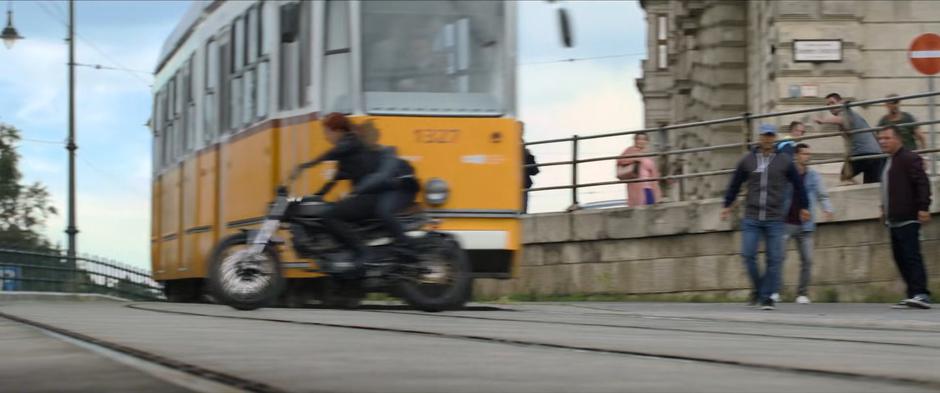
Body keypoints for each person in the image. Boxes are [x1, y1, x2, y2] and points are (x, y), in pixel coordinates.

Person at [294, 113, 412, 274]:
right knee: (330, 209)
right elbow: (337, 177)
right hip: (366, 196)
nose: (326, 137)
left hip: (371, 196)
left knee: (329, 216)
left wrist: (306, 165)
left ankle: (363, 251)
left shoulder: (351, 142)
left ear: (337, 131)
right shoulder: (348, 149)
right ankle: (342, 254)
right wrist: (318, 195)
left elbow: (331, 154)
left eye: (327, 132)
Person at [721, 125, 809, 311]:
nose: (768, 139)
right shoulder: (748, 160)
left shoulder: (784, 161)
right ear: (759, 138)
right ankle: (759, 289)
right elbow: (735, 184)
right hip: (752, 217)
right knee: (748, 255)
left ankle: (766, 297)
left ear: (775, 138)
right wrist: (727, 205)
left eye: (771, 136)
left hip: (775, 217)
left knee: (774, 258)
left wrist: (804, 206)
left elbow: (798, 185)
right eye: (765, 136)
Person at [877, 125, 932, 309]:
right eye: (880, 138)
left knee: (911, 256)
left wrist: (923, 207)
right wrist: (884, 208)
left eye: (886, 138)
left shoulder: (909, 158)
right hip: (893, 220)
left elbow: (922, 183)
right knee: (900, 257)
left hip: (908, 217)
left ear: (898, 139)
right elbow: (888, 188)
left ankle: (921, 293)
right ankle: (912, 294)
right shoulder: (889, 161)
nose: (882, 141)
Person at [781, 143, 834, 304]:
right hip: (786, 223)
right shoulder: (788, 175)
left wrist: (827, 209)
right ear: (796, 155)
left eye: (809, 154)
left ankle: (802, 294)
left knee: (808, 260)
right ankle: (776, 291)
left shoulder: (814, 176)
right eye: (804, 154)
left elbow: (822, 195)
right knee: (778, 258)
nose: (807, 157)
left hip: (806, 225)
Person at [817, 93, 883, 184]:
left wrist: (823, 120)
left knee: (845, 176)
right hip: (876, 154)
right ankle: (860, 190)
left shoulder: (845, 111)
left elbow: (840, 119)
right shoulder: (848, 112)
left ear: (839, 102)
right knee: (870, 187)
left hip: (862, 153)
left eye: (832, 103)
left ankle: (858, 189)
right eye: (828, 105)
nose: (830, 107)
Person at [616, 132, 661, 206]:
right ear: (635, 140)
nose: (641, 141)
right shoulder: (630, 150)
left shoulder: (648, 155)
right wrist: (636, 158)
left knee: (651, 212)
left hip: (650, 188)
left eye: (644, 139)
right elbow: (620, 161)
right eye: (639, 139)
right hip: (637, 187)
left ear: (647, 142)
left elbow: (654, 173)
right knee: (640, 210)